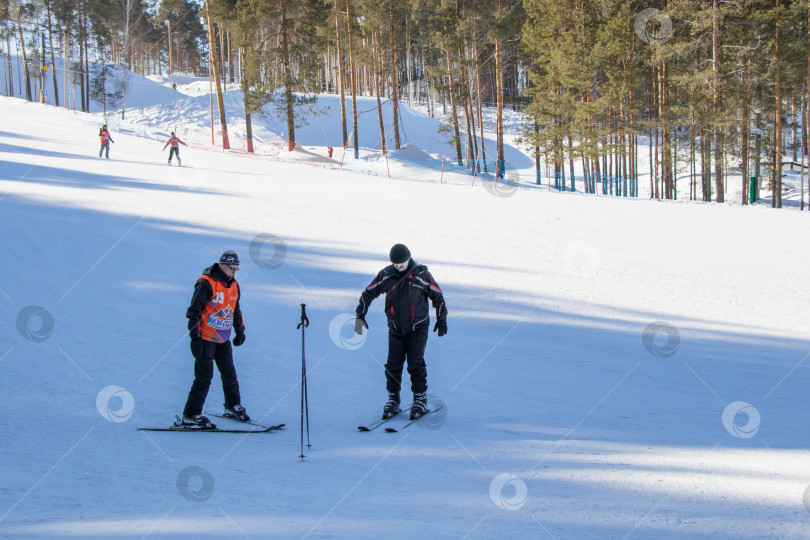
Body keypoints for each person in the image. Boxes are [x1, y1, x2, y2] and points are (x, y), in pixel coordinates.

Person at [355, 244, 447, 420]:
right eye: (395, 263)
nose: (399, 266)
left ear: (409, 257)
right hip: (396, 329)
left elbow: (438, 297)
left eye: (401, 262)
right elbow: (368, 293)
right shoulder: (387, 275)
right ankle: (393, 400)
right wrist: (360, 315)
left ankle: (420, 400)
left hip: (418, 328)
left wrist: (442, 318)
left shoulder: (421, 275)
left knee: (415, 364)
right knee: (393, 365)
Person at [179, 250, 249, 428]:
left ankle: (232, 406)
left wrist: (239, 331)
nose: (234, 272)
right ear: (222, 265)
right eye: (232, 269)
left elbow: (235, 310)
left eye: (236, 269)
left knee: (229, 374)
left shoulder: (234, 285)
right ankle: (191, 414)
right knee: (204, 377)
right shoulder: (206, 283)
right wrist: (194, 338)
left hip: (223, 339)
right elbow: (193, 312)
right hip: (205, 338)